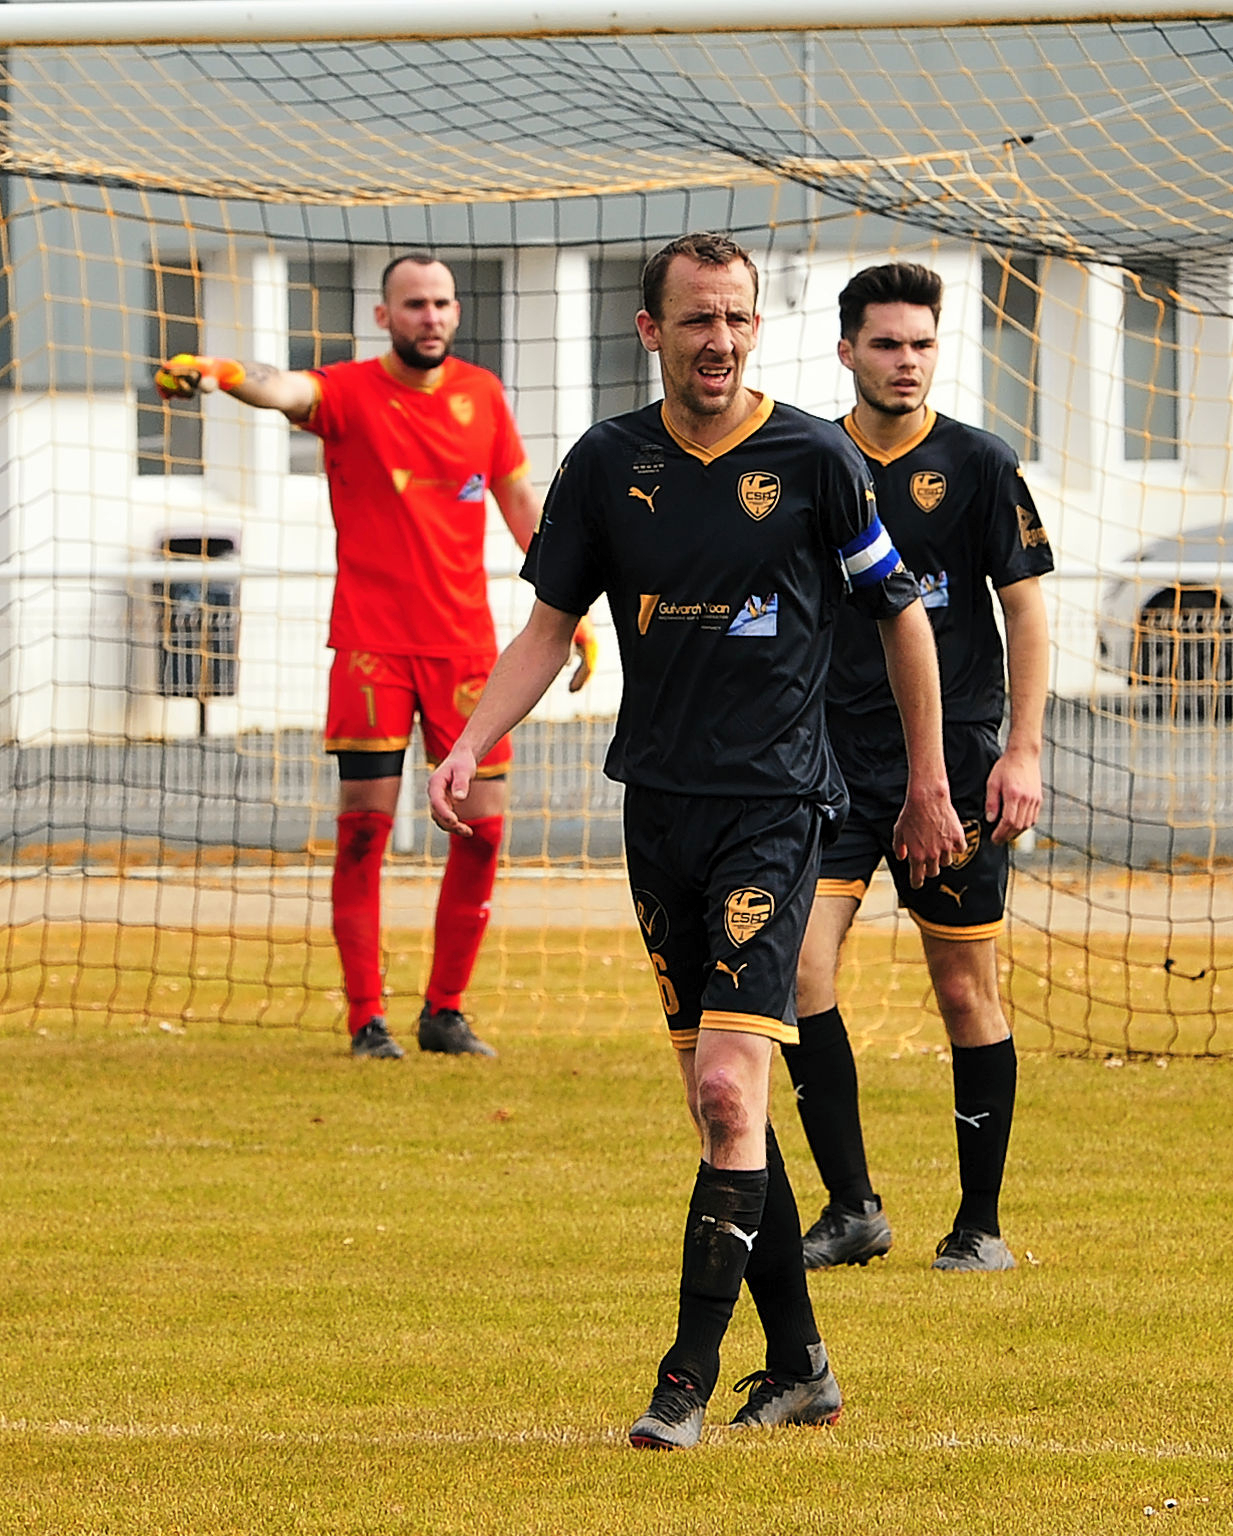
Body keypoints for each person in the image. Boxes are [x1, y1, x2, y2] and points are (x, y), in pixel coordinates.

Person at [428, 233, 964, 1448]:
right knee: (721, 1110)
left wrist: (925, 782)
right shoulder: (605, 464)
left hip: (777, 811)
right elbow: (545, 626)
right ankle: (803, 1366)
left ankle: (682, 1379)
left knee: (730, 1090)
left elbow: (902, 619)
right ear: (650, 332)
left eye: (734, 320)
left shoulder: (814, 457)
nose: (716, 341)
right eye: (695, 322)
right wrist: (466, 741)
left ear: (753, 329)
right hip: (655, 816)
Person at [155, 254, 595, 1061]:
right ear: (381, 316)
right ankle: (366, 1020)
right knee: (363, 833)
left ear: (456, 313)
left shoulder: (483, 395)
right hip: (369, 649)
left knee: (483, 832)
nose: (431, 316)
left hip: (466, 650)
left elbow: (520, 504)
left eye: (442, 303)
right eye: (414, 304)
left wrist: (569, 611)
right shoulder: (347, 392)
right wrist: (219, 372)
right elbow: (280, 385)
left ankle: (445, 1012)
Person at [781, 261, 1053, 1274]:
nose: (905, 361)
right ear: (846, 349)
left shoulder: (977, 462)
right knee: (801, 973)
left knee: (960, 986)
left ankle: (978, 1226)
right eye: (886, 343)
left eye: (921, 343)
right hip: (829, 767)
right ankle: (851, 1208)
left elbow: (1023, 609)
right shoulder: (804, 459)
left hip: (960, 762)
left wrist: (1021, 750)